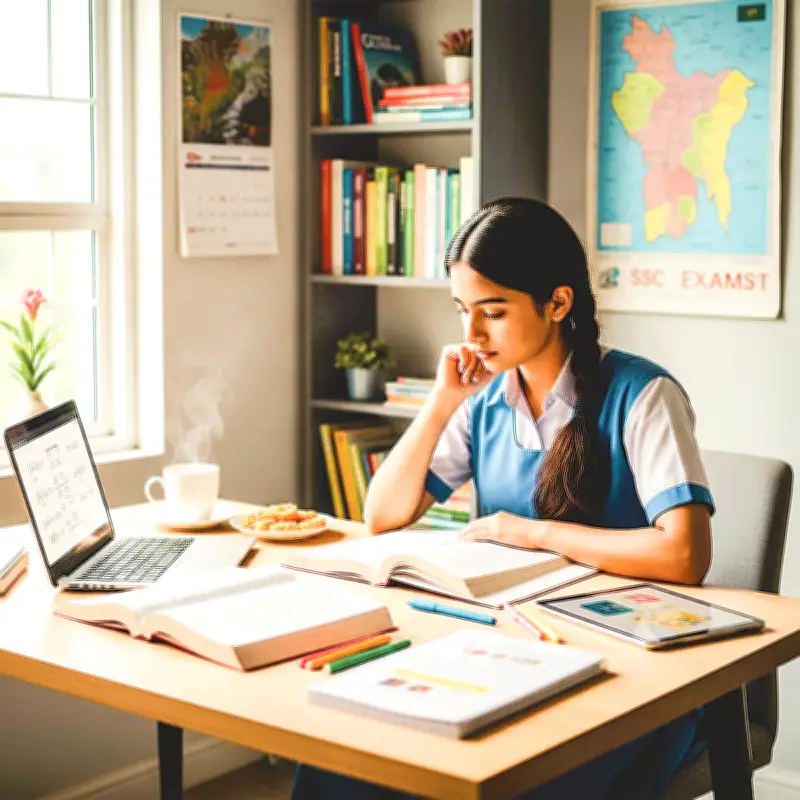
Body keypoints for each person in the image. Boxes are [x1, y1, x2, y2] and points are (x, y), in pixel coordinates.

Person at [291, 197, 714, 800]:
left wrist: (531, 532)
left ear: (558, 303)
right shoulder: (485, 400)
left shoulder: (643, 395)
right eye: (462, 311)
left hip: (632, 675)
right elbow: (382, 516)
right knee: (342, 757)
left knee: (502, 775)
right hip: (511, 653)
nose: (471, 334)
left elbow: (684, 555)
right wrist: (441, 402)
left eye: (492, 311)